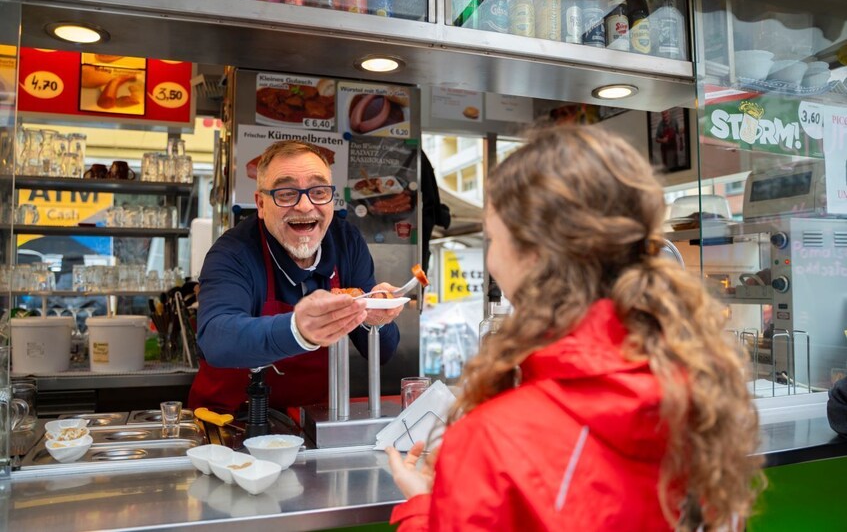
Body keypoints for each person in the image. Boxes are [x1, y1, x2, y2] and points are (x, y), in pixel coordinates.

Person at [387, 126, 762, 531]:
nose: (491, 259)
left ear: (533, 255)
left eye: (493, 238)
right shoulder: (703, 391)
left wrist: (423, 509)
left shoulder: (491, 440)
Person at [190, 140, 404, 415]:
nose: (304, 206)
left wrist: (377, 320)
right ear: (261, 204)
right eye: (286, 193)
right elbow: (216, 339)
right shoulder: (233, 252)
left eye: (319, 191)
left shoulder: (346, 242)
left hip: (312, 420)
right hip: (231, 423)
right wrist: (298, 330)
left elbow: (384, 352)